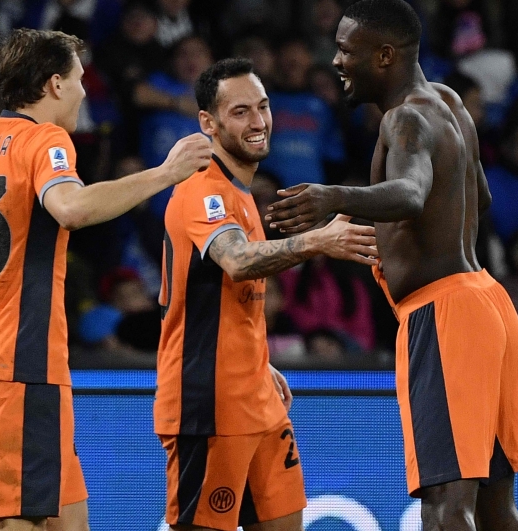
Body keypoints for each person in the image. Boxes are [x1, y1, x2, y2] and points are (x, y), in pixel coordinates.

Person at [0, 29, 211, 531]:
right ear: (54, 84)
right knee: (21, 522)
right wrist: (166, 173)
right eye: (77, 80)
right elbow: (70, 208)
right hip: (21, 367)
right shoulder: (46, 140)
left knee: (68, 522)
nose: (83, 92)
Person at [265, 2, 518, 529]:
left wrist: (332, 196)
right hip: (488, 303)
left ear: (385, 55)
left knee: (445, 506)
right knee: (494, 506)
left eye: (347, 50)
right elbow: (477, 196)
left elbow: (413, 193)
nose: (336, 61)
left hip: (447, 317)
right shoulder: (449, 102)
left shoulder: (405, 118)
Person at [156, 57, 377, 531]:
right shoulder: (200, 190)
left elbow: (228, 299)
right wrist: (318, 240)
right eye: (240, 112)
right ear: (207, 123)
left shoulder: (243, 196)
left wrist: (259, 361)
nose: (258, 122)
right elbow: (237, 261)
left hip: (258, 398)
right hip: (208, 404)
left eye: (263, 106)